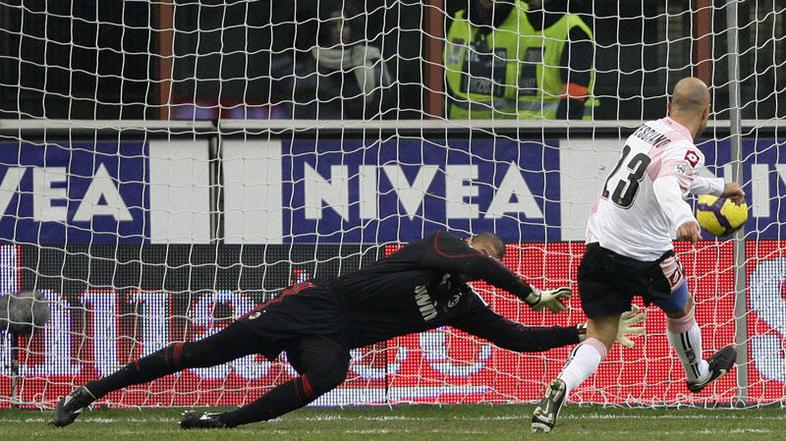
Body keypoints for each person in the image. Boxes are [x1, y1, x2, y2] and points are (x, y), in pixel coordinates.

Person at [53, 230, 645, 429]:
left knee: (330, 374)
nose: (477, 259)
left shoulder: (459, 303)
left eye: (486, 258)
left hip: (330, 337)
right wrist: (526, 288)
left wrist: (586, 333)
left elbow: (513, 337)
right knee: (207, 353)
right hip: (312, 305)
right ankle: (89, 392)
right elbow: (476, 265)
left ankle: (221, 423)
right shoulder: (437, 247)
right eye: (481, 255)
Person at [531, 77, 745, 433]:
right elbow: (666, 183)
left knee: (600, 333)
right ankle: (698, 375)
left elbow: (672, 173)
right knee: (682, 308)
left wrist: (720, 186)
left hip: (600, 245)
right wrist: (684, 218)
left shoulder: (646, 131)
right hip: (646, 256)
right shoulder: (688, 150)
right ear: (707, 114)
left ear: (668, 107)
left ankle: (562, 386)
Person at [444, 0, 595, 119]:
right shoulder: (457, 22)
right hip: (522, 135)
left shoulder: (567, 30)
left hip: (558, 139)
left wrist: (563, 136)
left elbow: (575, 94)